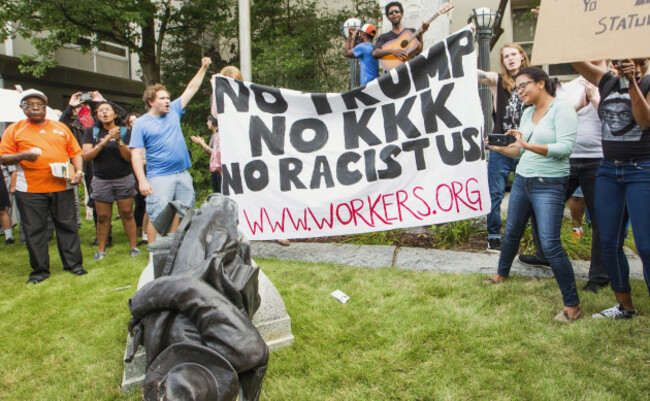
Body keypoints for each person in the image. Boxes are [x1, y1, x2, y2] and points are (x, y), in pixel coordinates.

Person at [484, 67, 580, 322]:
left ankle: (572, 304)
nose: (520, 91)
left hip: (549, 184)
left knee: (549, 244)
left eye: (524, 85)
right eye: (517, 87)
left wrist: (526, 145)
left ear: (541, 83)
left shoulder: (562, 109)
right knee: (512, 231)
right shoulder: (527, 113)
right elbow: (521, 152)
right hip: (523, 181)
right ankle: (501, 274)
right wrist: (499, 149)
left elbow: (564, 148)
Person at [572, 58, 650, 319]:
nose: (630, 64)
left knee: (646, 245)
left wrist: (632, 85)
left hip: (642, 170)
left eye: (639, 61)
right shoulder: (607, 81)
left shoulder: (648, 83)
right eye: (624, 60)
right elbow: (575, 58)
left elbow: (645, 121)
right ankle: (624, 306)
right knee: (608, 241)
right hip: (608, 170)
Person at [0, 89, 87, 284]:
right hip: (30, 189)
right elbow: (3, 157)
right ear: (22, 108)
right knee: (34, 230)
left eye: (39, 104)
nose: (35, 107)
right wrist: (23, 155)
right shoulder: (14, 129)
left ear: (45, 107)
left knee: (67, 225)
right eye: (30, 104)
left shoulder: (60, 128)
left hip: (61, 185)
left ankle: (74, 264)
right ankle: (40, 270)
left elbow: (75, 152)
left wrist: (79, 172)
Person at [130, 57, 212, 244]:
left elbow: (191, 89)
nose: (168, 101)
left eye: (168, 98)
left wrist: (203, 68)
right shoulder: (141, 123)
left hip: (182, 174)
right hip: (159, 177)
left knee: (184, 214)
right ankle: (154, 257)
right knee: (158, 218)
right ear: (151, 102)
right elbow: (135, 154)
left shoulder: (174, 110)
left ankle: (175, 250)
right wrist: (142, 181)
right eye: (162, 98)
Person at [477, 43, 530, 252]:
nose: (510, 58)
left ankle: (522, 235)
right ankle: (494, 235)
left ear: (522, 56)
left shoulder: (534, 81)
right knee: (495, 193)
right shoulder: (498, 81)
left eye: (513, 54)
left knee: (529, 192)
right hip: (502, 146)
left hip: (526, 144)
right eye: (506, 56)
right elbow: (475, 74)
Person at [82, 101, 140, 260]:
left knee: (127, 213)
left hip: (124, 178)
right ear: (97, 115)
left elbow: (129, 158)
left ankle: (133, 247)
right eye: (100, 110)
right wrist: (105, 141)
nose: (104, 112)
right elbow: (86, 157)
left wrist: (119, 141)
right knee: (102, 216)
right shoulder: (91, 132)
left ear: (115, 114)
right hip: (101, 179)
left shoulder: (125, 132)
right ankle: (101, 250)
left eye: (107, 109)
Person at [371, 1, 429, 69]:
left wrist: (421, 34)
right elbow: (375, 53)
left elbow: (419, 51)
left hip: (410, 70)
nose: (394, 13)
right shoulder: (383, 37)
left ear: (401, 14)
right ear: (387, 17)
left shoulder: (411, 32)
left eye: (397, 11)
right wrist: (392, 51)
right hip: (392, 73)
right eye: (391, 12)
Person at [126, 112, 148, 245]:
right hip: (135, 170)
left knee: (149, 201)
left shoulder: (147, 134)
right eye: (131, 121)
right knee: (139, 200)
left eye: (136, 120)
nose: (133, 123)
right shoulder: (129, 137)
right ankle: (139, 227)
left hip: (149, 169)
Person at [190, 115, 221, 193]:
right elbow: (211, 153)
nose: (207, 123)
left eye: (208, 121)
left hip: (220, 168)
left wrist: (202, 144)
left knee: (220, 192)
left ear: (213, 121)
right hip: (214, 168)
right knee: (216, 193)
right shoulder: (213, 135)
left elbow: (215, 153)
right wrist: (202, 143)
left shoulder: (219, 134)